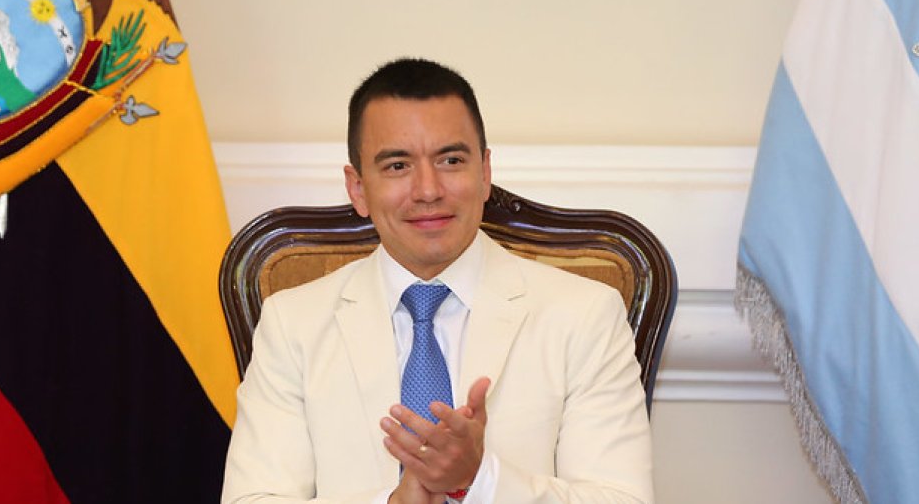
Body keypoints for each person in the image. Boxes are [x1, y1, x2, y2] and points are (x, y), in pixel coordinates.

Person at [222, 58, 653, 504]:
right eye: (396, 166)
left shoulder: (584, 315)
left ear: (485, 173)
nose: (428, 190)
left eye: (450, 160)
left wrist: (478, 481)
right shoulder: (293, 324)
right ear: (357, 189)